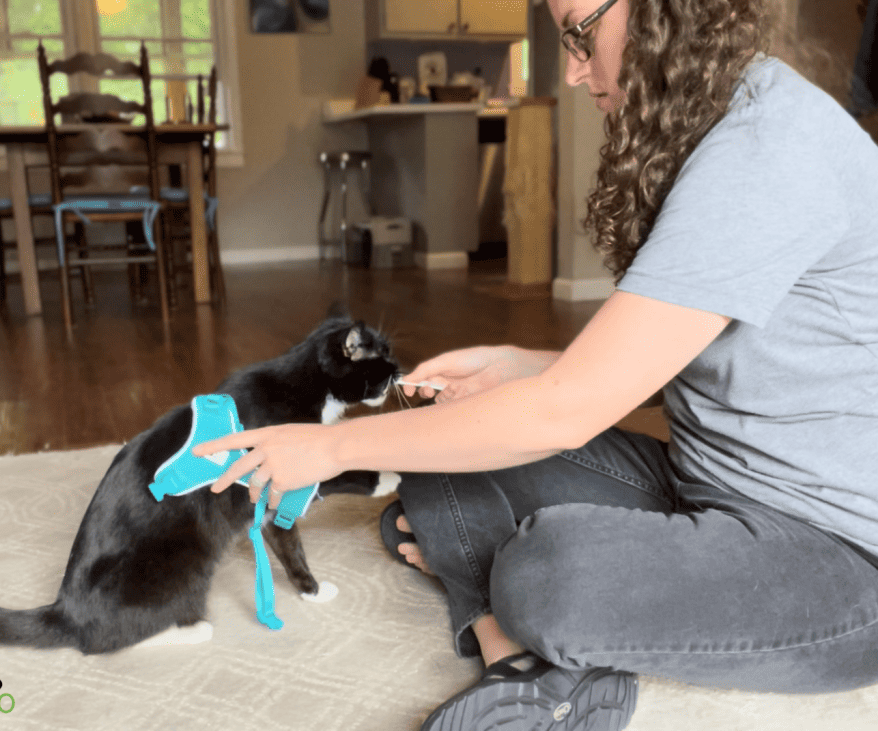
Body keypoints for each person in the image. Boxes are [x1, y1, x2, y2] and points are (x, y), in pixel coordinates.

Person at [196, 0, 878, 728]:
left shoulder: (767, 145)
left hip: (839, 557)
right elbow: (700, 356)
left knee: (548, 571)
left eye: (580, 32)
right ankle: (533, 666)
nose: (577, 68)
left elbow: (567, 409)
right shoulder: (716, 123)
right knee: (444, 447)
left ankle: (518, 621)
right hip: (704, 486)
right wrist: (523, 364)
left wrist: (328, 445)